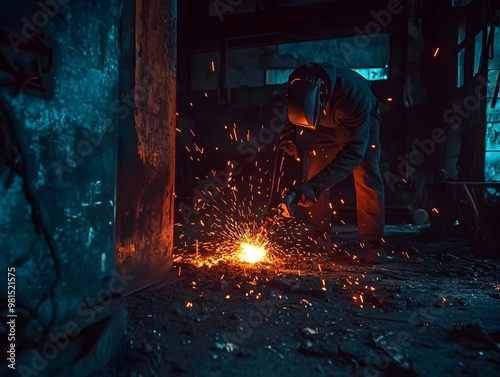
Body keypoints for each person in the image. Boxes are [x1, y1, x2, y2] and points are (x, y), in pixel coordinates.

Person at [279, 62, 386, 263]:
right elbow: (290, 112)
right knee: (314, 170)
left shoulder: (354, 96)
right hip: (325, 124)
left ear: (322, 98)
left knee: (366, 171)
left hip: (361, 120)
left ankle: (373, 241)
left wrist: (315, 187)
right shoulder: (296, 84)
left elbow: (354, 152)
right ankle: (320, 234)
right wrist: (289, 136)